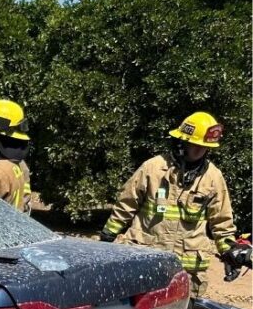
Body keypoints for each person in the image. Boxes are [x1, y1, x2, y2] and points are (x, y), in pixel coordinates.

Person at [100, 112, 244, 297]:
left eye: (205, 147)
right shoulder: (153, 168)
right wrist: (108, 237)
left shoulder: (213, 177)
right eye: (196, 145)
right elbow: (126, 205)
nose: (201, 151)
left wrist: (230, 254)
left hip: (186, 271)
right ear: (181, 142)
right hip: (146, 261)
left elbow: (222, 223)